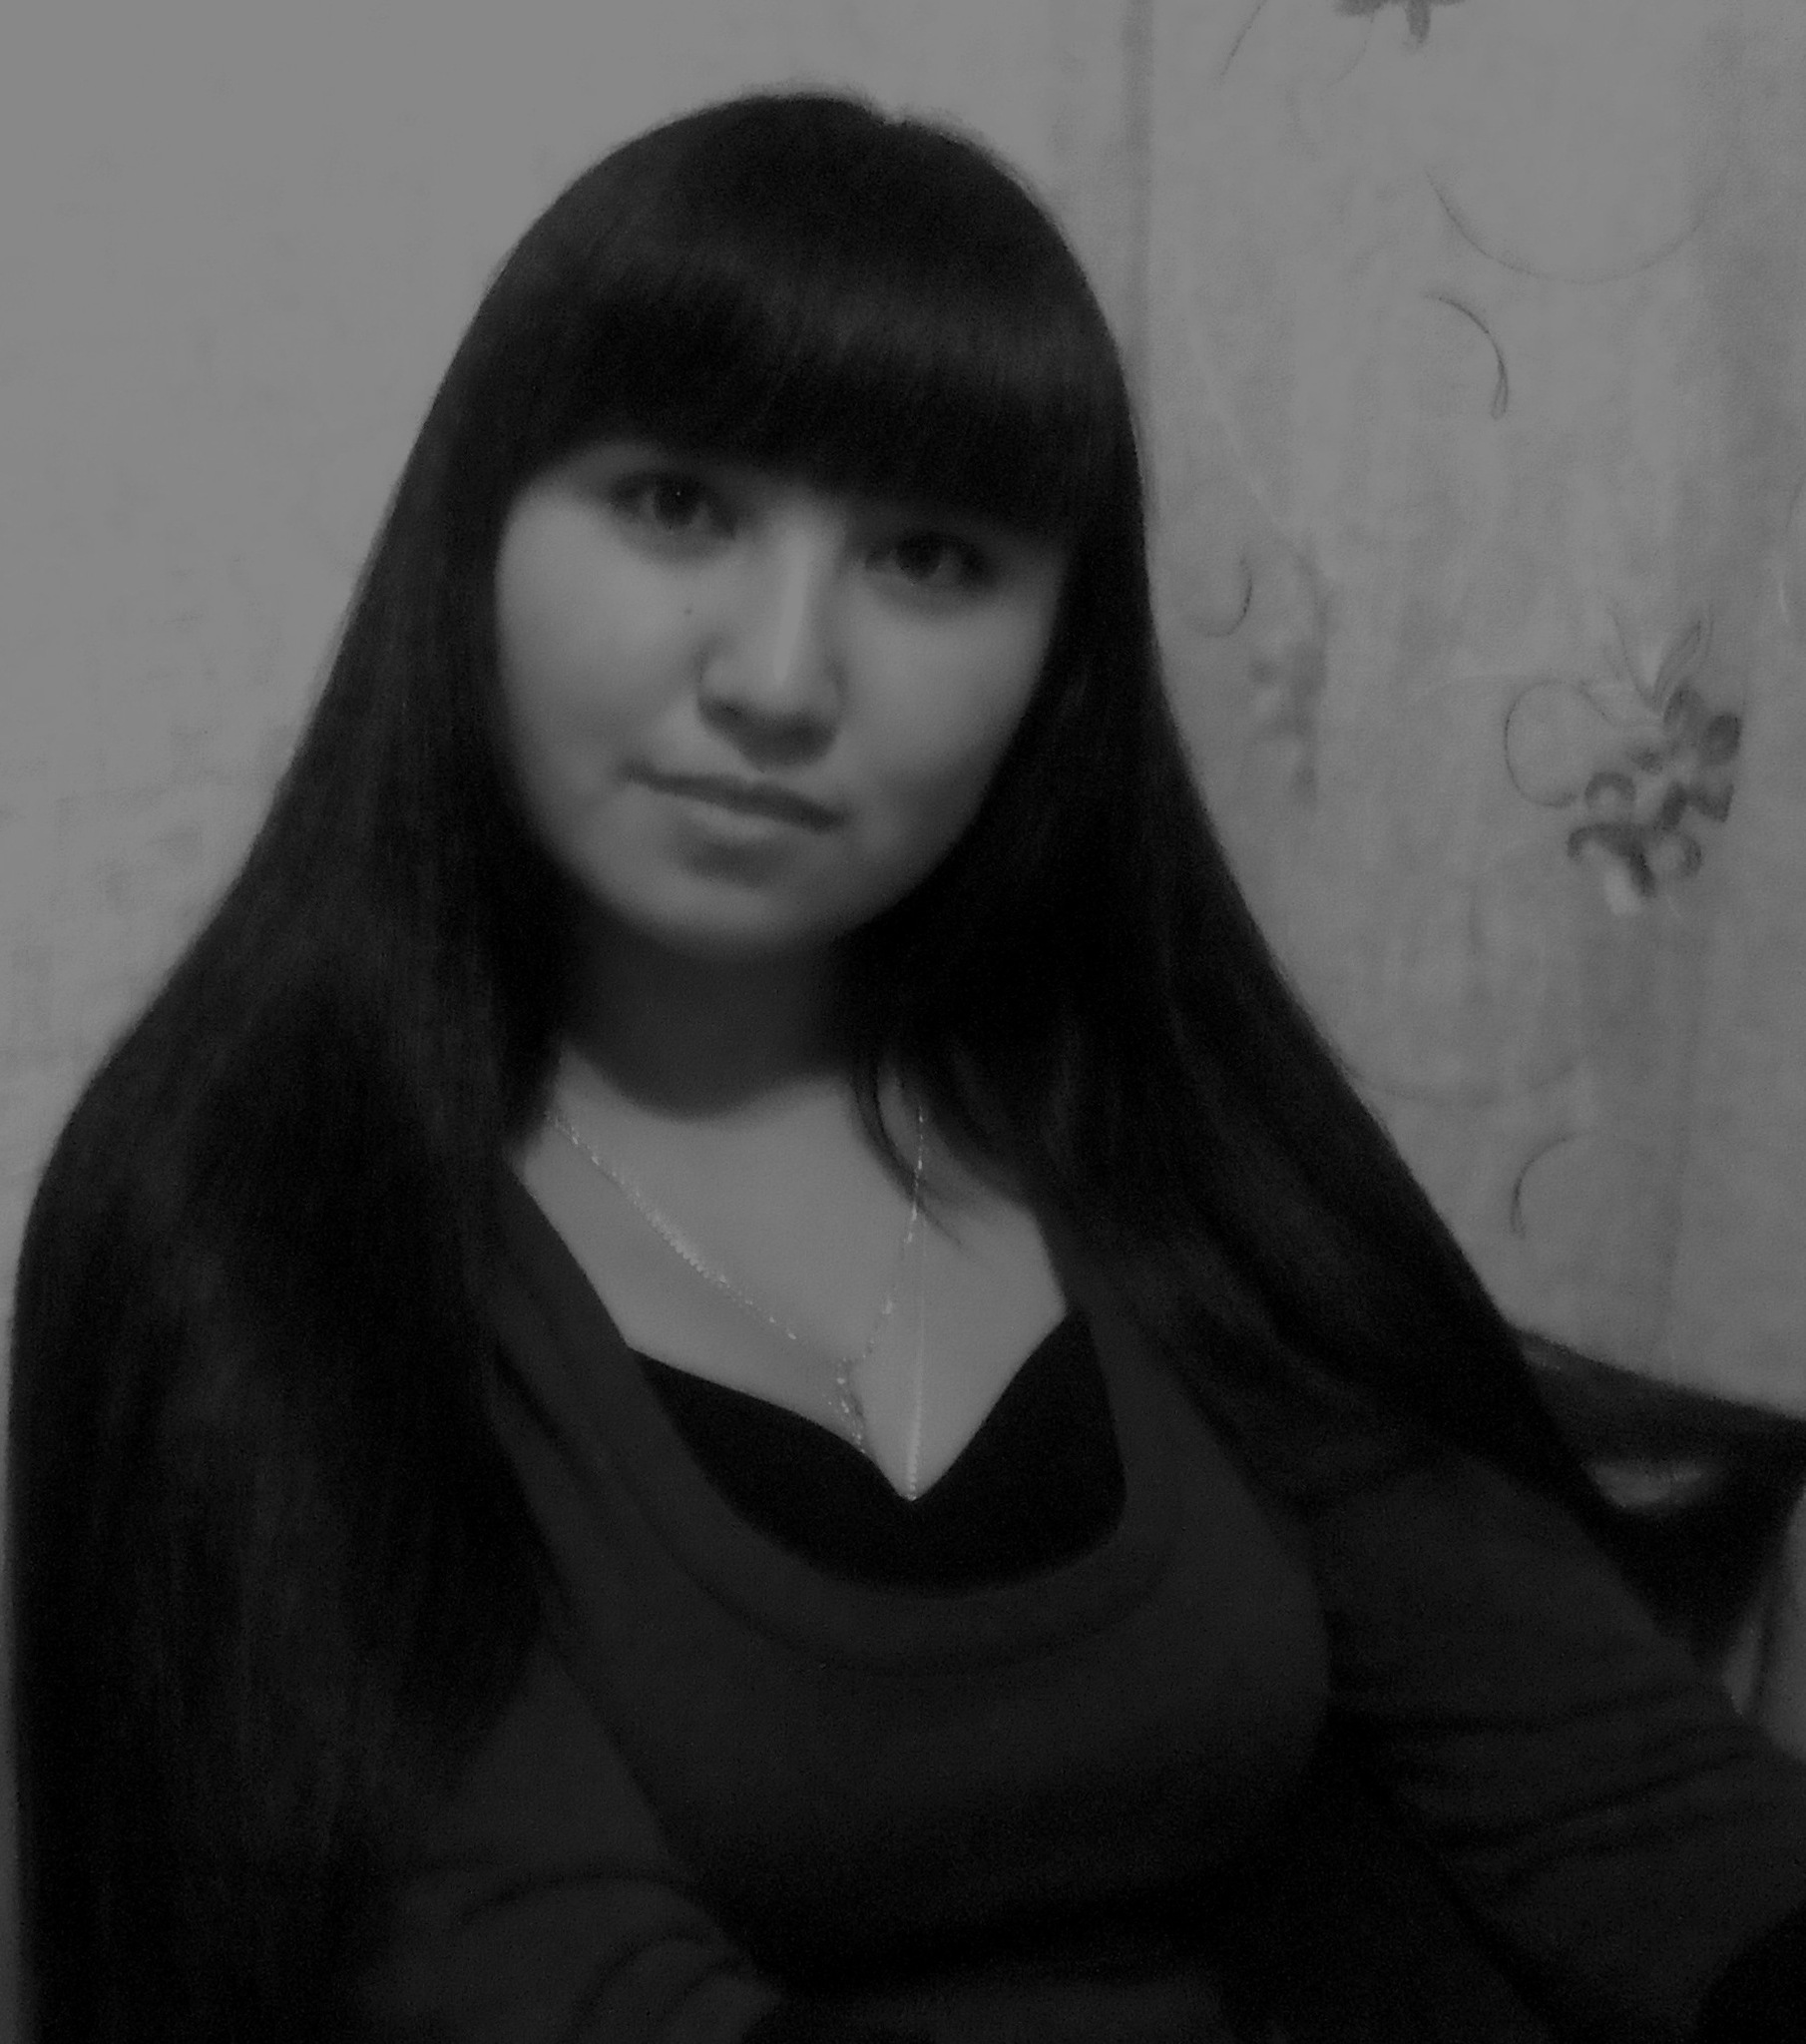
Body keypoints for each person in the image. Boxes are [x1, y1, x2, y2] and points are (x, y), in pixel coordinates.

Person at [8, 88, 1806, 2044]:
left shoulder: (1143, 1127)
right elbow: (533, 1986)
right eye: (675, 505)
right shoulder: (252, 1209)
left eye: (931, 558)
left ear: (1057, 661)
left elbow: (1614, 1793)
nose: (779, 677)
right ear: (477, 544)